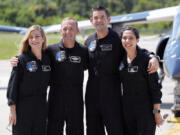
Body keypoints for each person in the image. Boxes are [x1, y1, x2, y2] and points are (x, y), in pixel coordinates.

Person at [85, 6, 159, 135]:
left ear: (108, 19)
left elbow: (136, 50)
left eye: (102, 17)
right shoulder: (88, 41)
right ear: (91, 21)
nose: (99, 20)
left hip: (112, 96)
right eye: (96, 18)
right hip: (92, 96)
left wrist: (154, 57)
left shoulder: (117, 39)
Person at [46, 17, 88, 135]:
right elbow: (33, 56)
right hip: (55, 100)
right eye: (65, 29)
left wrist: (145, 55)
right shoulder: (50, 50)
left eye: (71, 29)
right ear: (60, 31)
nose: (68, 32)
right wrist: (17, 59)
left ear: (77, 31)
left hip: (75, 100)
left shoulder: (84, 51)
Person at [119, 26, 163, 135]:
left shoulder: (147, 61)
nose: (127, 41)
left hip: (145, 111)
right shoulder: (121, 59)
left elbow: (155, 89)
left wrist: (156, 112)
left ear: (137, 40)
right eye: (124, 38)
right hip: (127, 110)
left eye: (131, 38)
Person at [7, 25, 51, 135]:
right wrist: (12, 111)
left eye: (37, 36)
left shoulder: (48, 59)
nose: (34, 39)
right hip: (23, 110)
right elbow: (13, 86)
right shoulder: (21, 60)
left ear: (43, 38)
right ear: (28, 40)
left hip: (41, 109)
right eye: (31, 37)